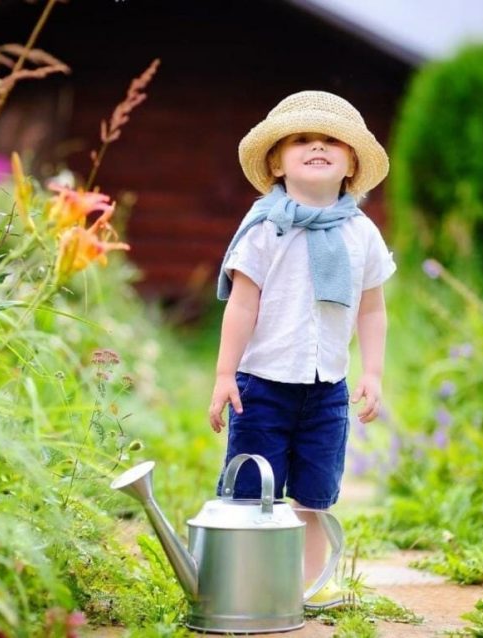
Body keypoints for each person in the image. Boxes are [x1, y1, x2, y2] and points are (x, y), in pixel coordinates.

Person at [208, 91, 396, 609]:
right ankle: (249, 582)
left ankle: (310, 585)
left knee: (314, 494)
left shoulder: (362, 233)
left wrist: (374, 374)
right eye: (301, 140)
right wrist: (225, 375)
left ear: (352, 162)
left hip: (327, 390)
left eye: (332, 140)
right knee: (252, 490)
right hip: (261, 386)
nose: (318, 146)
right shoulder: (266, 229)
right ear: (276, 161)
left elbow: (372, 309)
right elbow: (242, 306)